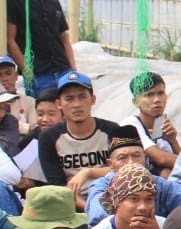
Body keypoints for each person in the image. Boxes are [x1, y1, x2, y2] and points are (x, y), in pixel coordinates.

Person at [85, 125, 181, 225]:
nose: (131, 163)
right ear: (111, 164)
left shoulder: (158, 183)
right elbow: (98, 216)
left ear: (145, 159)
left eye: (136, 156)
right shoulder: (101, 187)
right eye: (122, 158)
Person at [37, 70, 121, 207]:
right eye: (69, 99)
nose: (76, 104)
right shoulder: (48, 138)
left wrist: (87, 172)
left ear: (93, 100)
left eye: (82, 97)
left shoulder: (112, 130)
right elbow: (57, 186)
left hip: (113, 199)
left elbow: (123, 169)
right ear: (59, 104)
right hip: (70, 204)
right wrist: (87, 207)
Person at [5, 0, 77, 95]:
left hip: (63, 70)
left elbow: (64, 38)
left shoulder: (53, 1)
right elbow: (10, 39)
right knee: (45, 115)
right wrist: (27, 71)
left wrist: (73, 69)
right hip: (38, 75)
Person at [85, 164, 164, 229]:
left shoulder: (163, 226)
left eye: (149, 199)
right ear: (117, 202)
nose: (143, 207)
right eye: (134, 199)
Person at [122, 72, 180, 175]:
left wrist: (173, 141)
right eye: (149, 95)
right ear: (136, 102)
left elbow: (175, 159)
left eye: (160, 93)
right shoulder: (130, 125)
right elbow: (162, 159)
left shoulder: (160, 123)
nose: (157, 100)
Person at [0, 53, 35, 139]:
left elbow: (36, 129)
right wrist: (25, 127)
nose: (5, 78)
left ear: (16, 76)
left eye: (8, 73)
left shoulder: (29, 102)